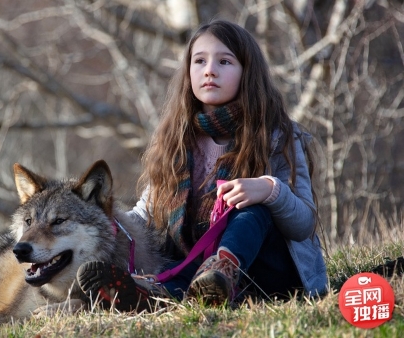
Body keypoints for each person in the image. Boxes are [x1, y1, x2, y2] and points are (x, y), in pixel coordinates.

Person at [76, 19, 328, 311]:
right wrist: (101, 221)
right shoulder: (176, 139)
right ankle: (150, 295)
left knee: (252, 207)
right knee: (178, 264)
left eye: (224, 61)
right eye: (199, 61)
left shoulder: (277, 134)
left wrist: (270, 190)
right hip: (194, 277)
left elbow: (304, 224)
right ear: (188, 72)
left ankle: (221, 270)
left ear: (248, 72)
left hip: (270, 279)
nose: (210, 70)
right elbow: (143, 216)